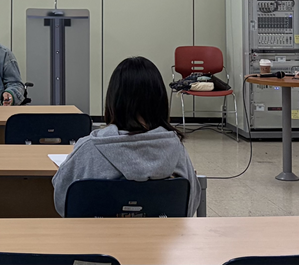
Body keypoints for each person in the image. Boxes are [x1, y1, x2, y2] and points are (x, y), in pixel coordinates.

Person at [51, 56, 200, 217]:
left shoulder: (88, 149)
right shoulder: (176, 150)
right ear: (160, 101)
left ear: (113, 99)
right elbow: (190, 205)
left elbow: (63, 200)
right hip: (161, 234)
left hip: (96, 233)